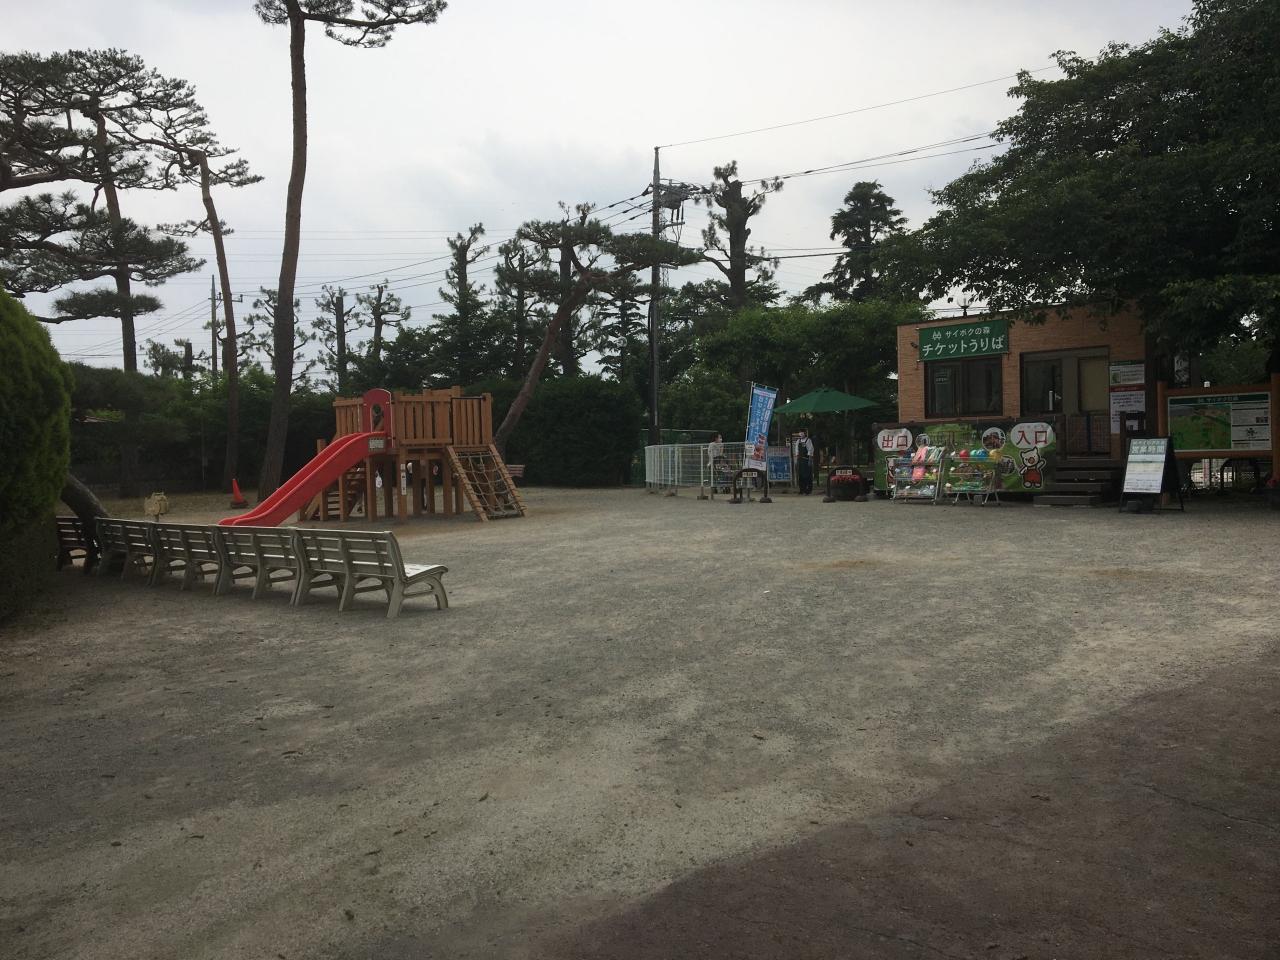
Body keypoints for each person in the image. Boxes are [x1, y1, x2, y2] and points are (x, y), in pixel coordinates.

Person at [794, 428, 815, 495]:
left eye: (802, 432)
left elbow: (811, 450)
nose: (801, 433)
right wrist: (797, 459)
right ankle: (802, 489)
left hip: (806, 460)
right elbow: (796, 450)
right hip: (800, 460)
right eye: (800, 432)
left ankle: (808, 490)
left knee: (807, 475)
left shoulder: (808, 440)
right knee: (800, 475)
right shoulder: (798, 441)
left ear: (805, 433)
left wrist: (810, 459)